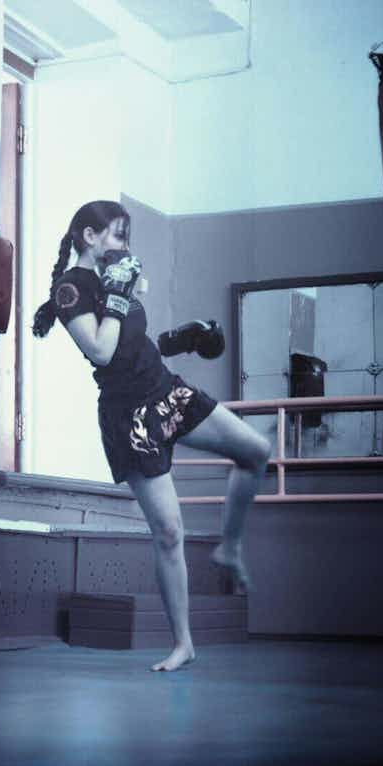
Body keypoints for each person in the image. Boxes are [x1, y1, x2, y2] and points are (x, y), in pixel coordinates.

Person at [32, 200, 271, 672]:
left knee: (255, 451)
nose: (124, 246)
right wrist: (119, 294)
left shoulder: (112, 279)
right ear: (89, 236)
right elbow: (101, 351)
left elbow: (130, 345)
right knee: (168, 532)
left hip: (167, 391)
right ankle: (183, 643)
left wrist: (181, 340)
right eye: (118, 236)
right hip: (130, 417)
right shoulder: (70, 290)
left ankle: (230, 546)